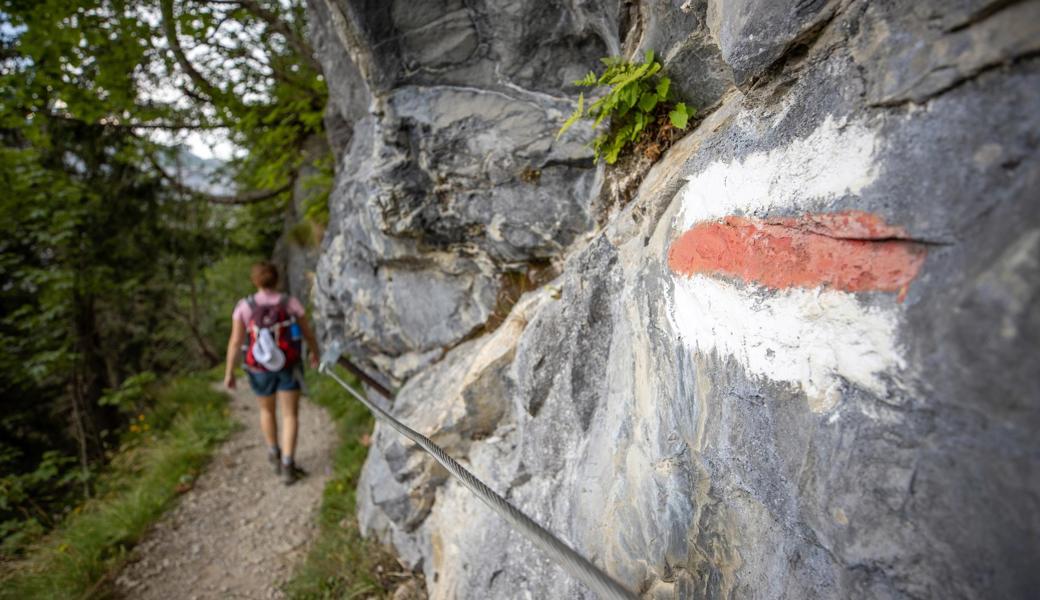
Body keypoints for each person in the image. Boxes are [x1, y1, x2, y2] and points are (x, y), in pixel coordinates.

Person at [224, 261, 319, 485]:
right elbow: (308, 332)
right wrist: (315, 353)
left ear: (254, 281)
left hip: (259, 368)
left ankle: (274, 452)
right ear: (277, 279)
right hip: (288, 365)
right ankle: (288, 464)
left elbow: (236, 341)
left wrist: (229, 371)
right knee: (290, 415)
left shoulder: (244, 307)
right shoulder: (289, 303)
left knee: (266, 411)